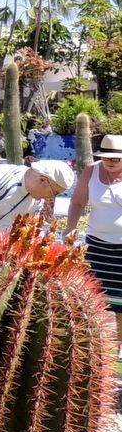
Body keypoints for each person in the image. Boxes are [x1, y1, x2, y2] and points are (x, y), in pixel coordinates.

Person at [64, 134, 122, 353]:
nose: (111, 162)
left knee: (121, 304)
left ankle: (118, 347)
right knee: (93, 297)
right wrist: (69, 229)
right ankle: (95, 347)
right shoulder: (91, 170)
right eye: (106, 157)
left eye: (116, 159)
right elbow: (78, 202)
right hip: (96, 246)